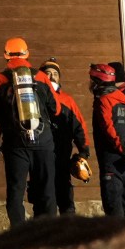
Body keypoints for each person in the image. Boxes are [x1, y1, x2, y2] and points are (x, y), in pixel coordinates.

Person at [0, 38, 55, 226]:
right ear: (27, 53)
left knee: (16, 191)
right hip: (43, 141)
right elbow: (57, 108)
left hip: (15, 143)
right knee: (46, 190)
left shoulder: (0, 79)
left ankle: (20, 236)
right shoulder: (41, 77)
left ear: (6, 55)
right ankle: (48, 235)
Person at [88, 62, 125, 219]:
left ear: (99, 81)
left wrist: (124, 150)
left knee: (113, 207)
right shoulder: (124, 100)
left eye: (92, 80)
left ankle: (118, 242)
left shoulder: (104, 101)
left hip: (113, 161)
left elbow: (108, 129)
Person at [40, 60, 88, 216]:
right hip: (40, 155)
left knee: (65, 194)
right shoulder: (37, 98)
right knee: (43, 197)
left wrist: (83, 151)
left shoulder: (68, 100)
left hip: (61, 155)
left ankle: (70, 230)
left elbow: (79, 126)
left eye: (55, 74)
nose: (52, 77)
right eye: (48, 73)